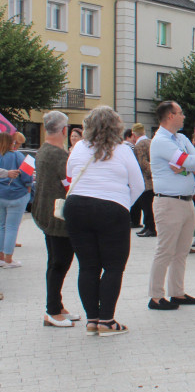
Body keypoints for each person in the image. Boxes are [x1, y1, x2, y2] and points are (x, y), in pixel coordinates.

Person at [64, 106, 144, 336]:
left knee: (88, 266)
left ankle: (92, 319)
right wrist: (122, 204)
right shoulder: (123, 149)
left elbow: (70, 175)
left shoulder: (79, 147)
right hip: (111, 208)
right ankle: (107, 320)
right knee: (113, 266)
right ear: (116, 126)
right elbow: (137, 184)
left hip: (77, 206)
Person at [146, 101, 195, 311]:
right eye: (180, 113)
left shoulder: (180, 138)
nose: (184, 116)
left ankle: (177, 292)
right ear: (170, 116)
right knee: (165, 250)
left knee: (181, 251)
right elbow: (190, 162)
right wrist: (191, 163)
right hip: (168, 202)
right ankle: (155, 296)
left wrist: (188, 164)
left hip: (187, 200)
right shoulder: (161, 141)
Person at [31, 111, 80, 327]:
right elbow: (70, 185)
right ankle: (52, 310)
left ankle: (57, 306)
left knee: (55, 261)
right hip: (58, 217)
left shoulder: (43, 150)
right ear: (63, 130)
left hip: (45, 213)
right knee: (59, 263)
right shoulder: (58, 155)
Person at [0, 131, 33, 268]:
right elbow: (28, 175)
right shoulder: (18, 156)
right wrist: (28, 187)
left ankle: (1, 257)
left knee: (1, 226)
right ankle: (9, 259)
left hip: (1, 195)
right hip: (17, 195)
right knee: (12, 227)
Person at [133, 125, 156, 237]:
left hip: (146, 181)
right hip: (153, 181)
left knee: (147, 206)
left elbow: (143, 163)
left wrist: (150, 173)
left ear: (134, 134)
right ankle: (147, 226)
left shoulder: (139, 145)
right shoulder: (151, 141)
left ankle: (150, 228)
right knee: (149, 206)